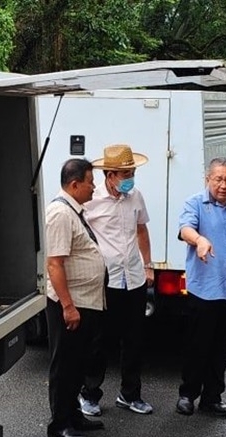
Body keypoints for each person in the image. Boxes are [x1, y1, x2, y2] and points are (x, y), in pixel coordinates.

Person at [175, 157, 226, 418]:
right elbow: (185, 229)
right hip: (205, 289)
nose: (224, 185)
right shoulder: (195, 204)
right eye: (218, 179)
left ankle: (212, 397)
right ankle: (187, 394)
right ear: (207, 179)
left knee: (222, 346)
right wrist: (200, 240)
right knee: (198, 344)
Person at [78, 144, 155, 417]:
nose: (129, 178)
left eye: (132, 172)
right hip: (105, 278)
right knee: (99, 339)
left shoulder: (136, 197)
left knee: (134, 339)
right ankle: (89, 394)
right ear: (109, 175)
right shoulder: (91, 200)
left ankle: (130, 394)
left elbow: (142, 230)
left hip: (133, 276)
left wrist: (148, 265)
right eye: (124, 174)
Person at [45, 158, 107, 437]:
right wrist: (68, 306)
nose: (94, 188)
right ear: (74, 184)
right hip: (71, 304)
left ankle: (73, 414)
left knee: (79, 363)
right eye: (90, 182)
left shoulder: (74, 211)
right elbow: (55, 264)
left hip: (86, 301)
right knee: (66, 365)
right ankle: (60, 423)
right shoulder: (60, 213)